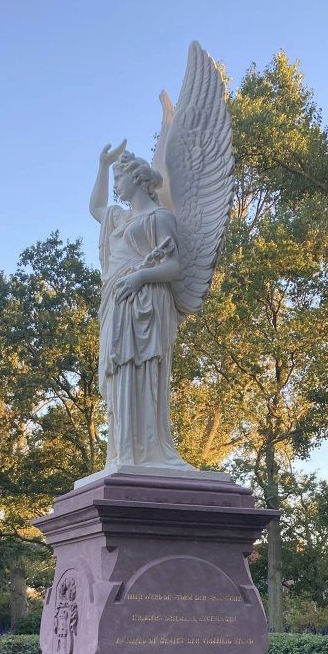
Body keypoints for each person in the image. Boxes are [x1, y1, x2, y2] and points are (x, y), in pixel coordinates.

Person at [89, 141, 194, 471]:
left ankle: (147, 449)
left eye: (120, 178)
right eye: (116, 179)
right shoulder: (119, 219)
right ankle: (124, 452)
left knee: (142, 371)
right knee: (121, 374)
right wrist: (102, 167)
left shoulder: (159, 217)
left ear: (137, 179)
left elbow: (175, 267)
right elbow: (95, 208)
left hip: (146, 304)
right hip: (119, 306)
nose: (117, 186)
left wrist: (140, 277)